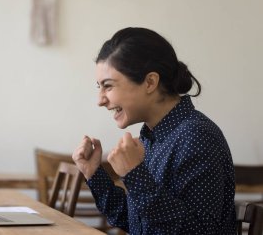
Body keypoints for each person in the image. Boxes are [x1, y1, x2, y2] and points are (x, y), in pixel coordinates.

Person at [72, 27, 235, 234]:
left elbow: (200, 230)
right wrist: (93, 174)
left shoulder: (196, 135)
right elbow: (138, 222)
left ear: (150, 82)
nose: (100, 100)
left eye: (109, 86)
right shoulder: (151, 136)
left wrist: (134, 174)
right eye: (100, 87)